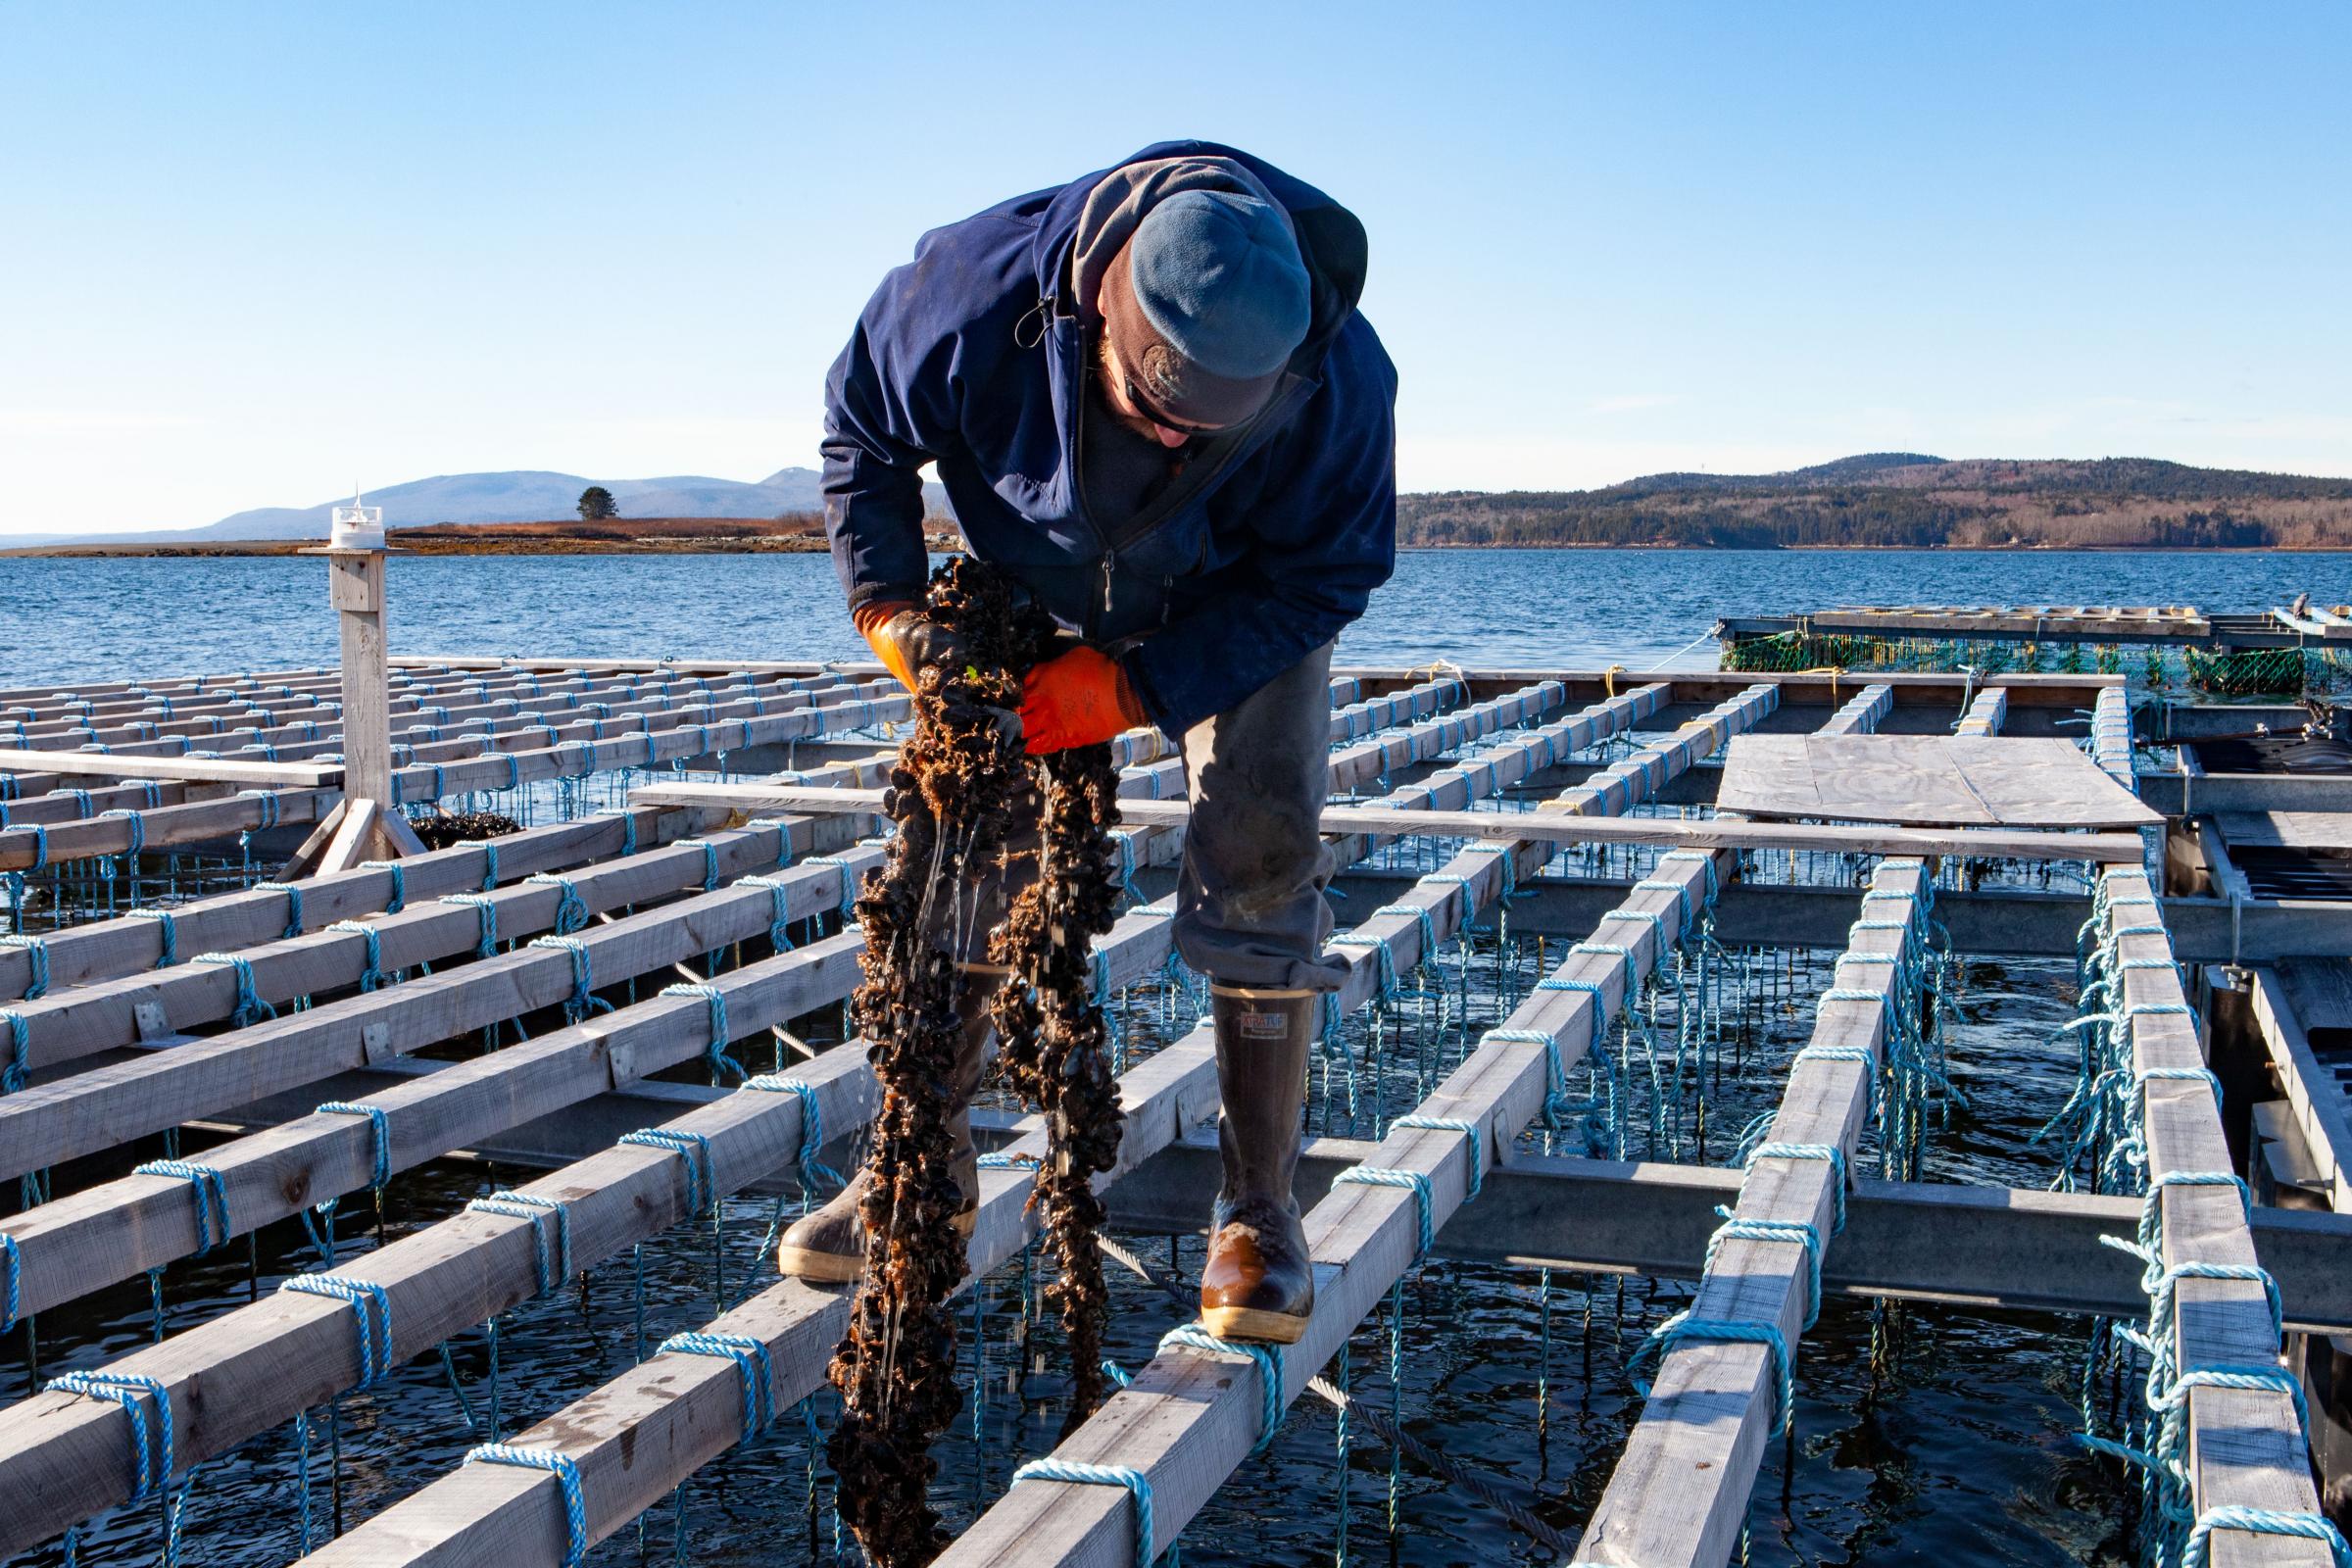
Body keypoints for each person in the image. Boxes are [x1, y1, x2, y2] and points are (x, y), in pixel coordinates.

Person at [782, 139, 1396, 1346]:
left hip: (1235, 608)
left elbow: (1330, 575)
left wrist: (1132, 685)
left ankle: (1258, 1211)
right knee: (966, 839)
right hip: (1028, 578)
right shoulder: (970, 296)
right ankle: (923, 1163)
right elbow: (862, 430)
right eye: (1153, 412)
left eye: (1203, 431)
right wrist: (888, 605)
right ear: (1098, 314)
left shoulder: (1343, 385)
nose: (1171, 443)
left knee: (1261, 841)